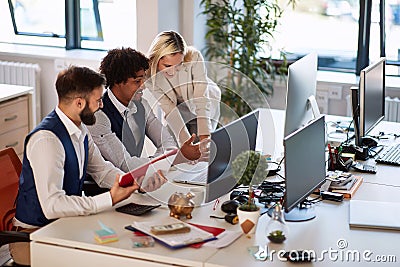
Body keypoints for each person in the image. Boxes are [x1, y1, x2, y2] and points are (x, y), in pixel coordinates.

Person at [10, 66, 167, 266]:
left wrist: (136, 182)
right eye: (98, 100)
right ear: (79, 103)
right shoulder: (47, 140)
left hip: (65, 226)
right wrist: (108, 199)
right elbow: (52, 206)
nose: (101, 106)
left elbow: (102, 170)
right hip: (35, 237)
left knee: (129, 245)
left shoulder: (81, 128)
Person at [87, 47, 205, 174]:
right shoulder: (98, 117)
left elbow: (167, 143)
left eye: (143, 79)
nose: (143, 85)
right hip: (108, 189)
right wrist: (171, 159)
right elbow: (126, 165)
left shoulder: (142, 104)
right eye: (137, 81)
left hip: (139, 181)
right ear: (117, 82)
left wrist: (165, 159)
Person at [146, 30, 221, 146]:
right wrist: (185, 142)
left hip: (203, 105)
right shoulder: (149, 76)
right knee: (175, 147)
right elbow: (168, 108)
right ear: (156, 59)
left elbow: (201, 98)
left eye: (178, 65)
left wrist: (205, 136)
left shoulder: (193, 57)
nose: (172, 72)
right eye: (167, 66)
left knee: (203, 149)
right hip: (178, 108)